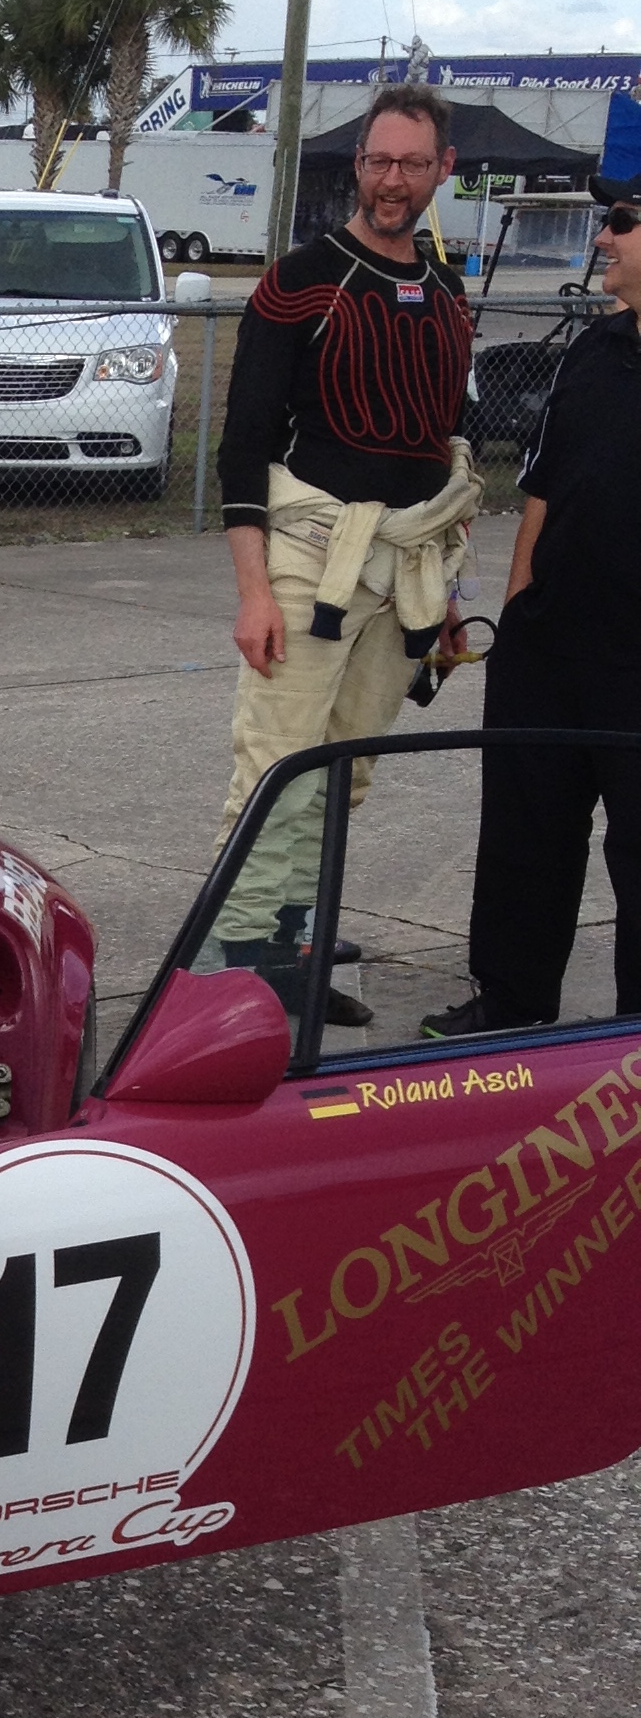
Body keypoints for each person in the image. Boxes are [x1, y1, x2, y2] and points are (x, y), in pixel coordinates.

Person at [212, 83, 480, 1024]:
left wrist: (447, 589)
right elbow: (243, 446)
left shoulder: (446, 292)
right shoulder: (302, 280)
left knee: (344, 767)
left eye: (411, 162)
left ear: (444, 168)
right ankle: (244, 983)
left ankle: (294, 939)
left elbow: (448, 444)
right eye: (377, 160)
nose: (391, 180)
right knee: (277, 764)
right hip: (311, 558)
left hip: (408, 567)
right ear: (356, 163)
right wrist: (255, 591)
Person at [429, 191, 641, 1036]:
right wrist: (518, 615)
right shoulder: (594, 348)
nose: (604, 237)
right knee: (525, 840)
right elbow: (542, 491)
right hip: (551, 648)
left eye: (623, 221)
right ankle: (512, 1008)